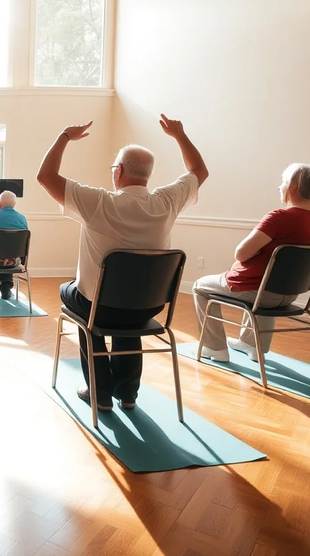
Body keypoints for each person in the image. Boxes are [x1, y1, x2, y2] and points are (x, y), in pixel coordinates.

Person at [36, 115, 208, 411]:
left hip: (102, 309)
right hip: (148, 307)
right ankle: (128, 394)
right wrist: (180, 135)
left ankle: (99, 394)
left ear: (119, 171)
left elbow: (45, 176)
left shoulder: (99, 202)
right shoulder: (167, 201)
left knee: (78, 299)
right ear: (148, 175)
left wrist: (65, 135)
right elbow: (199, 170)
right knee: (126, 307)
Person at [193, 164, 310, 362]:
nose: (280, 186)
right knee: (268, 283)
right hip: (289, 294)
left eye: (283, 181)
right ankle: (252, 344)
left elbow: (241, 253)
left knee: (199, 286)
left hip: (254, 290)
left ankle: (215, 348)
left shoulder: (279, 217)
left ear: (294, 186)